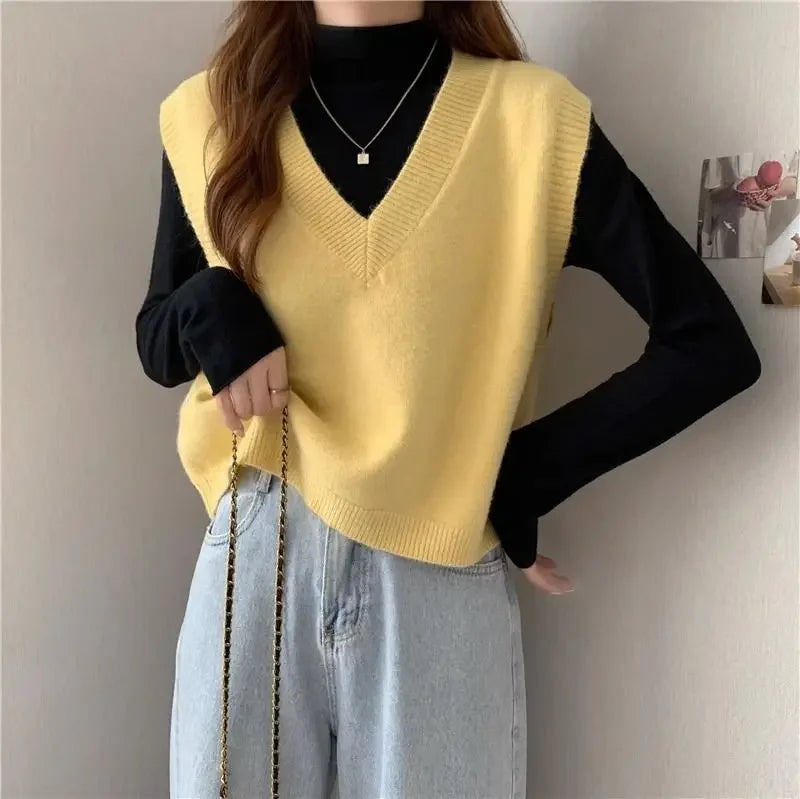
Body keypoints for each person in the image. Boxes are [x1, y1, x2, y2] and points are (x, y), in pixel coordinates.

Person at [135, 2, 761, 797]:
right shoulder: (212, 113)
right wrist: (209, 303)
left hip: (437, 572)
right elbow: (157, 338)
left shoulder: (532, 123)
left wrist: (522, 477)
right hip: (257, 555)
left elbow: (709, 343)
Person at [699, 150, 799, 258]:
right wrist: (735, 189)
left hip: (773, 233)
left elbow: (796, 183)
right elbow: (713, 192)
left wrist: (774, 192)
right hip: (729, 234)